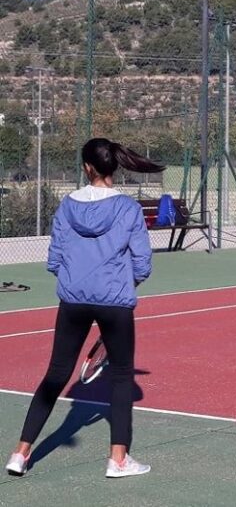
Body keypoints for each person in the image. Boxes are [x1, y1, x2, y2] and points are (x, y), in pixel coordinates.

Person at [6, 138, 164, 479]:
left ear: (86, 168)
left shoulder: (67, 206)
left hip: (73, 300)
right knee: (122, 377)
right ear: (113, 168)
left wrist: (76, 277)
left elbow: (54, 259)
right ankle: (118, 460)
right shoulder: (128, 209)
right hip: (115, 302)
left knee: (55, 375)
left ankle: (20, 454)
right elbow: (142, 262)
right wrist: (127, 283)